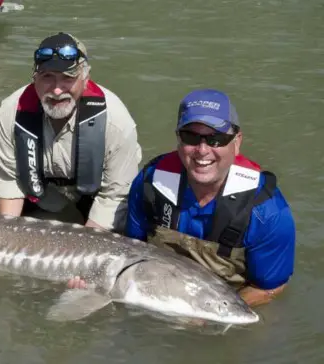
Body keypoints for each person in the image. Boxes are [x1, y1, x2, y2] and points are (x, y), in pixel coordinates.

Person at [124, 89, 295, 306]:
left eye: (216, 139)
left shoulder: (266, 212)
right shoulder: (150, 183)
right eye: (191, 137)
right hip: (158, 291)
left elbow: (269, 287)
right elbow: (131, 251)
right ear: (178, 139)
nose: (202, 150)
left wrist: (209, 313)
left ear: (237, 141)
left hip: (219, 302)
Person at [0, 32, 142, 231]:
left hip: (93, 198)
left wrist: (84, 248)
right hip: (39, 193)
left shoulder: (116, 122)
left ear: (85, 79)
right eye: (47, 77)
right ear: (34, 78)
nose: (56, 90)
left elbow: (115, 196)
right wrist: (7, 238)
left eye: (68, 78)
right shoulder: (11, 112)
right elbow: (10, 182)